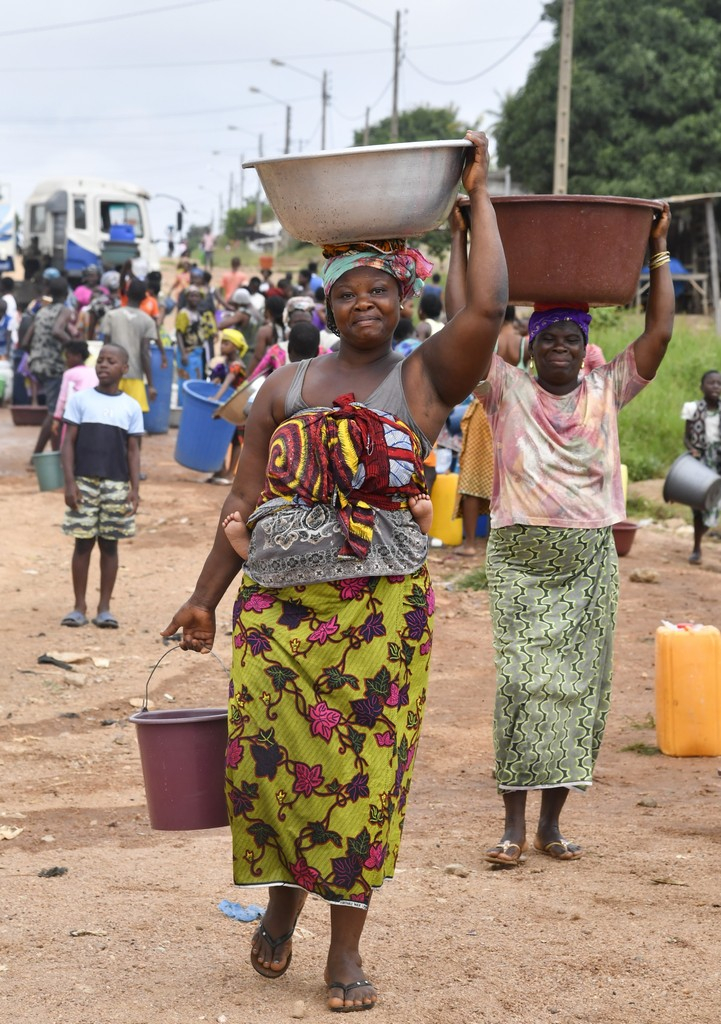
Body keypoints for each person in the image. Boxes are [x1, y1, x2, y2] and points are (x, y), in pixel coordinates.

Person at [161, 131, 507, 1014]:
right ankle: (280, 907)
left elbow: (489, 309)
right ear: (320, 305)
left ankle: (343, 950)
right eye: (344, 292)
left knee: (362, 783)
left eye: (378, 290)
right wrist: (203, 601)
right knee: (277, 775)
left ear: (402, 298)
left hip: (380, 622)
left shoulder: (423, 380)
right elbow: (239, 509)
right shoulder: (280, 389)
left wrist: (476, 201)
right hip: (279, 621)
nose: (362, 304)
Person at [446, 203, 674, 867]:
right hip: (520, 559)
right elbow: (464, 326)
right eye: (548, 338)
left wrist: (656, 250)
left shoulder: (609, 388)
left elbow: (658, 331)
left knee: (578, 690)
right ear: (530, 344)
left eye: (571, 339)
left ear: (584, 346)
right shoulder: (504, 390)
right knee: (521, 686)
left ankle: (551, 826)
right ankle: (511, 827)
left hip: (587, 561)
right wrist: (460, 240)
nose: (560, 349)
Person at [59, 343, 144, 629]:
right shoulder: (80, 400)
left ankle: (104, 607)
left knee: (110, 545)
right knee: (82, 544)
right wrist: (69, 483)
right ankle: (78, 606)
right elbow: (67, 444)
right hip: (84, 483)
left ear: (124, 368)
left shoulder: (131, 406)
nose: (103, 365)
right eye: (100, 360)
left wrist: (135, 488)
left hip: (117, 485)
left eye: (111, 361)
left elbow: (133, 451)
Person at [453, 305, 522, 557]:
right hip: (516, 413)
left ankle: (470, 542)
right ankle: (501, 542)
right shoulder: (523, 343)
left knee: (473, 476)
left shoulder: (486, 342)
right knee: (509, 478)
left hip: (484, 410)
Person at [22, 275, 76, 458]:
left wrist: (37, 354)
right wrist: (74, 348)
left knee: (54, 410)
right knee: (55, 413)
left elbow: (25, 342)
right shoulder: (65, 310)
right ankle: (45, 456)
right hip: (52, 365)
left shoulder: (42, 311)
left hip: (36, 364)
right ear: (67, 293)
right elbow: (57, 330)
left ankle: (44, 453)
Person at [682, 369, 721, 564]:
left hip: (718, 462)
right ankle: (696, 548)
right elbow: (686, 437)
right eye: (711, 383)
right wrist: (692, 450)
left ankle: (708, 529)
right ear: (701, 387)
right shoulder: (693, 408)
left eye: (718, 383)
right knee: (698, 506)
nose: (715, 387)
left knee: (715, 504)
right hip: (700, 463)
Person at [103, 278, 158, 414]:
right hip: (134, 375)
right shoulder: (148, 320)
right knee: (133, 423)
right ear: (145, 297)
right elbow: (144, 352)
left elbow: (105, 347)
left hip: (112, 375)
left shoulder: (111, 315)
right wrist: (150, 385)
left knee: (109, 416)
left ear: (126, 293)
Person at [51, 340, 99, 444]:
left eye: (68, 357)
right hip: (93, 414)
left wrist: (56, 418)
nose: (66, 361)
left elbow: (62, 398)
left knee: (68, 442)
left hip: (73, 414)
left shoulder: (69, 373)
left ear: (78, 356)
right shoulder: (94, 371)